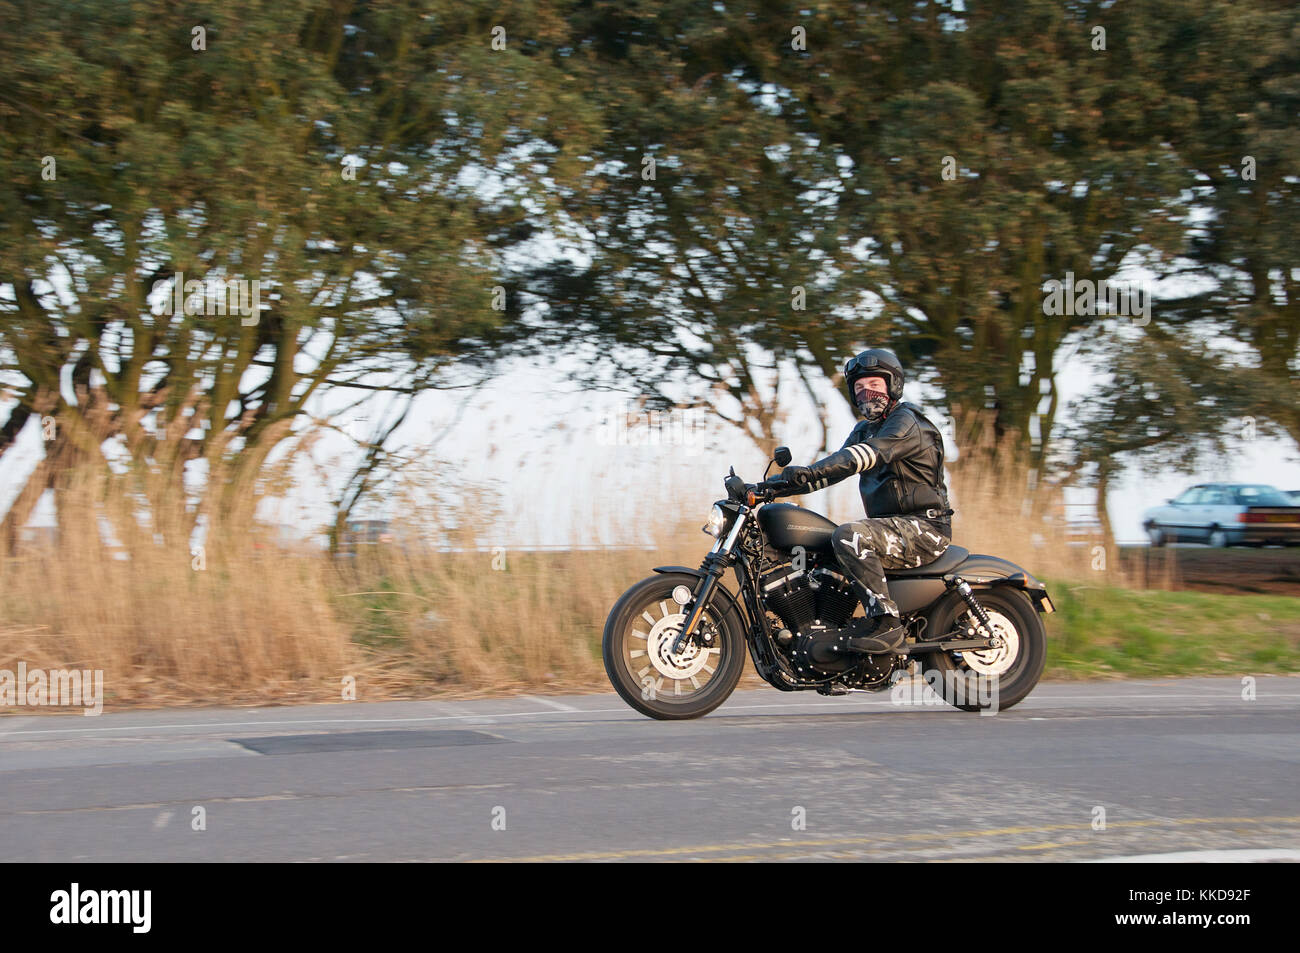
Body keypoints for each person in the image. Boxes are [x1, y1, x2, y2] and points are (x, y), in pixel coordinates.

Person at [777, 349, 952, 653]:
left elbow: (865, 456)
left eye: (873, 383)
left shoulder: (906, 422)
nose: (865, 392)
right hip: (891, 528)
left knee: (850, 535)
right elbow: (830, 471)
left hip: (924, 528)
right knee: (820, 547)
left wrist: (811, 471)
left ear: (893, 385)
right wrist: (771, 487)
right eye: (858, 388)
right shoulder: (864, 429)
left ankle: (887, 624)